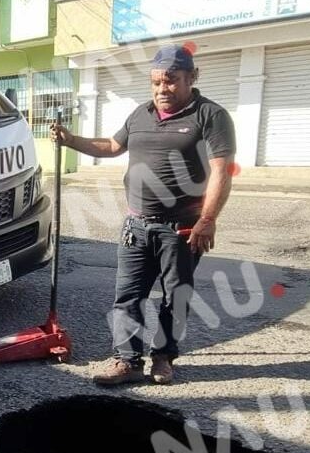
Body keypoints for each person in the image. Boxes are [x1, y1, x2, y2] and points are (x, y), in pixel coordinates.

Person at [51, 45, 235, 386]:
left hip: (182, 229)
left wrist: (207, 220)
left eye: (171, 81)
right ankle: (127, 361)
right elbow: (111, 146)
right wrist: (70, 139)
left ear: (192, 77)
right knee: (128, 295)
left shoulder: (211, 115)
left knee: (174, 296)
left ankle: (163, 357)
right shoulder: (140, 114)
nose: (162, 89)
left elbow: (222, 171)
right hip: (136, 225)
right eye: (155, 82)